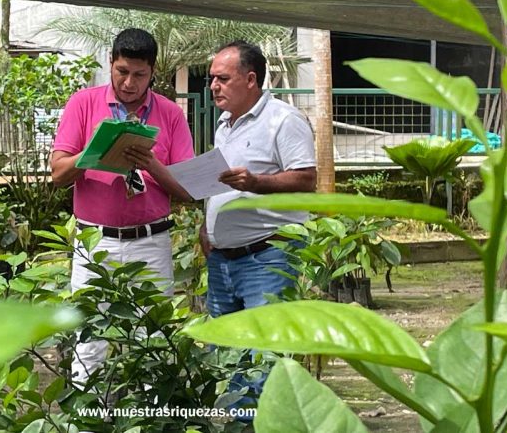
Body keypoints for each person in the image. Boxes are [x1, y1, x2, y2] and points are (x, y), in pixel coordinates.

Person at [50, 28, 194, 386]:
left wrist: (149, 163)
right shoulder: (82, 103)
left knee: (156, 338)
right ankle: (86, 422)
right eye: (122, 72)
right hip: (94, 242)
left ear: (153, 72)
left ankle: (153, 420)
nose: (129, 82)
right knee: (89, 341)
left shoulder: (171, 114)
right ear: (110, 64)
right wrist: (96, 150)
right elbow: (57, 175)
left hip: (151, 241)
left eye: (139, 75)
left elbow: (188, 191)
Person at [200, 40, 317, 413]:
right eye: (211, 79)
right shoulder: (223, 124)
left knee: (262, 363)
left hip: (267, 257)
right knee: (228, 357)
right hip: (222, 260)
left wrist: (257, 183)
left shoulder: (284, 119)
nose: (214, 86)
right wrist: (208, 227)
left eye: (222, 78)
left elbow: (306, 179)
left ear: (250, 79)